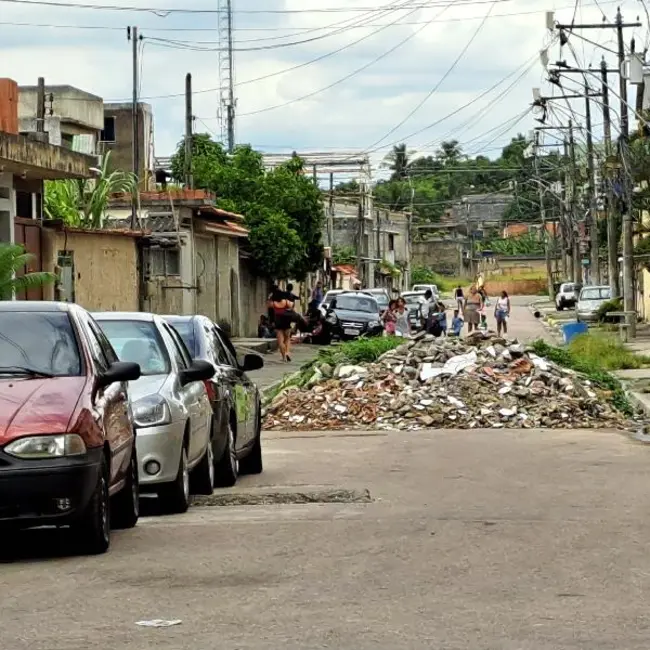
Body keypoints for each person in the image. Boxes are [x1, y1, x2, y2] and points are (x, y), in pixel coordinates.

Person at [271, 288, 294, 362]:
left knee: (280, 341)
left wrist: (270, 297)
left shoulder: (274, 303)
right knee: (287, 339)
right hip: (287, 322)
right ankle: (287, 353)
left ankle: (284, 357)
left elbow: (268, 305)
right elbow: (292, 305)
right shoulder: (287, 302)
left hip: (278, 323)